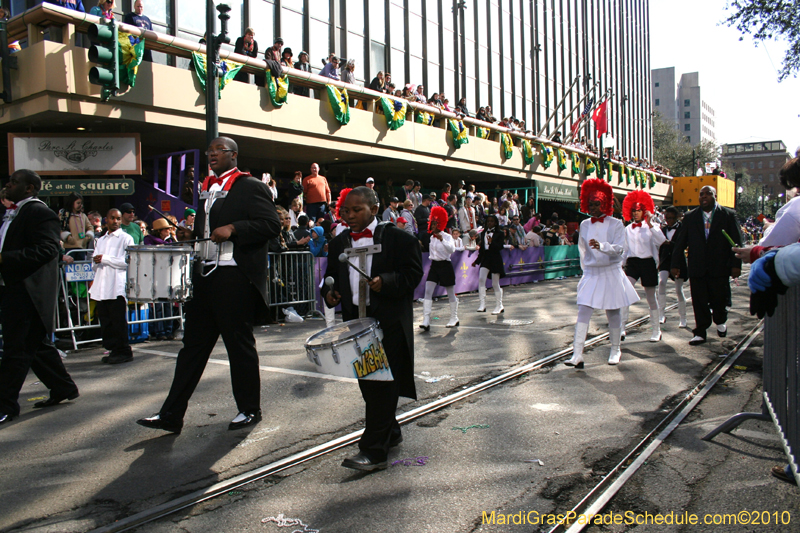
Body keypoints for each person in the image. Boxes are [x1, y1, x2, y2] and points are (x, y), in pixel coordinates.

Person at [137, 136, 281, 434]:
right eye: (210, 151)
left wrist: (234, 229)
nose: (213, 155)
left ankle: (249, 409)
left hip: (233, 275)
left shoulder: (250, 185)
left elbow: (271, 225)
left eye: (219, 150)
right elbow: (207, 228)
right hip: (205, 275)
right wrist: (191, 234)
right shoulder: (207, 188)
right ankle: (171, 414)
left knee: (238, 346)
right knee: (192, 348)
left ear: (234, 155)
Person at [322, 187, 423, 471]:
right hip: (356, 324)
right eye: (345, 211)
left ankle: (373, 452)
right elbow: (331, 275)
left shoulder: (399, 238)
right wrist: (329, 293)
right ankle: (390, 432)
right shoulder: (340, 241)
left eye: (357, 210)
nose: (350, 216)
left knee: (382, 384)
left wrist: (386, 281)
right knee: (369, 384)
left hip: (388, 322)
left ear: (374, 209)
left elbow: (413, 273)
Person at [0, 169, 80, 427]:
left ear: (29, 188)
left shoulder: (39, 212)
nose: (8, 184)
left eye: (14, 182)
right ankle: (63, 387)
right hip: (13, 288)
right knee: (35, 347)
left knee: (16, 350)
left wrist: (5, 259)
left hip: (28, 293)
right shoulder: (13, 212)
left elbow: (47, 250)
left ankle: (6, 405)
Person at [563, 179, 639, 368]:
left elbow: (621, 249)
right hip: (591, 273)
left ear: (605, 204)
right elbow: (582, 250)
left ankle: (615, 349)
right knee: (583, 310)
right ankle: (577, 353)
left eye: (597, 204)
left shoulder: (616, 224)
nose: (593, 208)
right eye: (590, 204)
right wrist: (586, 270)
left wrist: (602, 247)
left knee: (612, 311)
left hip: (610, 272)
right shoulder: (585, 224)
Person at [671, 186, 742, 346]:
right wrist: (675, 264)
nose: (704, 197)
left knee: (719, 299)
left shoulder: (728, 215)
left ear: (715, 196)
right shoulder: (690, 217)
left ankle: (720, 320)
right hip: (697, 267)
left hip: (720, 267)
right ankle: (700, 332)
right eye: (701, 194)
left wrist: (736, 265)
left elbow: (736, 241)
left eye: (708, 194)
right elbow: (680, 242)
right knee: (699, 301)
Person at [89, 208, 135, 364]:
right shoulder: (100, 240)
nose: (115, 221)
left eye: (118, 218)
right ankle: (113, 349)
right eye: (112, 218)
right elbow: (95, 262)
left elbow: (127, 261)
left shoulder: (125, 238)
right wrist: (97, 261)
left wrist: (106, 259)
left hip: (116, 286)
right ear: (106, 220)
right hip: (102, 285)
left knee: (118, 321)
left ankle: (123, 350)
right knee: (106, 321)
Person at [620, 190, 666, 342]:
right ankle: (621, 327)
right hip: (632, 263)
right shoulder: (627, 229)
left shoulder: (651, 227)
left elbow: (661, 241)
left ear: (644, 211)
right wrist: (621, 264)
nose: (635, 213)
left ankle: (656, 330)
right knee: (625, 292)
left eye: (638, 210)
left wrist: (651, 224)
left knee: (651, 297)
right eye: (633, 211)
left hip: (647, 262)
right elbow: (625, 249)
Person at [420, 206, 460, 330]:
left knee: (450, 292)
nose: (433, 226)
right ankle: (426, 319)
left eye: (436, 223)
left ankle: (454, 317)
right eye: (432, 223)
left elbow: (452, 250)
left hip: (445, 265)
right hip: (434, 266)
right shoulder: (431, 238)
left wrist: (442, 239)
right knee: (428, 291)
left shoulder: (447, 236)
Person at [472, 214, 510, 314]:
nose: (490, 223)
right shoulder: (484, 232)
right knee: (481, 279)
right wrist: (477, 261)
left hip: (495, 258)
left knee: (495, 283)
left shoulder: (500, 233)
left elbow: (500, 247)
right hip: (486, 258)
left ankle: (499, 305)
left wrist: (491, 242)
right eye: (488, 221)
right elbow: (482, 250)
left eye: (492, 221)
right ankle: (482, 304)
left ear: (495, 222)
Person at [657, 206, 688, 328]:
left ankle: (683, 317)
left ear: (676, 217)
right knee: (661, 283)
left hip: (678, 261)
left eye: (671, 218)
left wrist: (670, 243)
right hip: (665, 260)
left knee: (678, 290)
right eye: (666, 218)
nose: (668, 220)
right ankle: (661, 314)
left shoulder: (682, 229)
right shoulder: (662, 229)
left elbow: (684, 244)